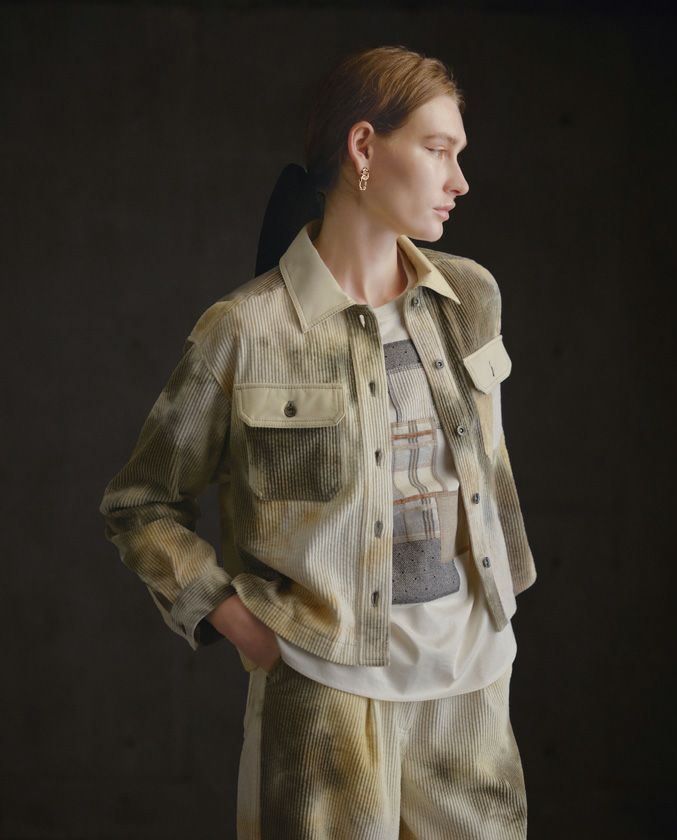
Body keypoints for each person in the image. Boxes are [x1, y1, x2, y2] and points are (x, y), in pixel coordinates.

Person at [99, 44, 536, 840]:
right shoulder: (246, 329)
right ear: (364, 147)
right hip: (325, 696)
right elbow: (140, 503)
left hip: (471, 690)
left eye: (459, 154)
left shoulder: (472, 296)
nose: (460, 181)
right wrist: (233, 617)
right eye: (438, 150)